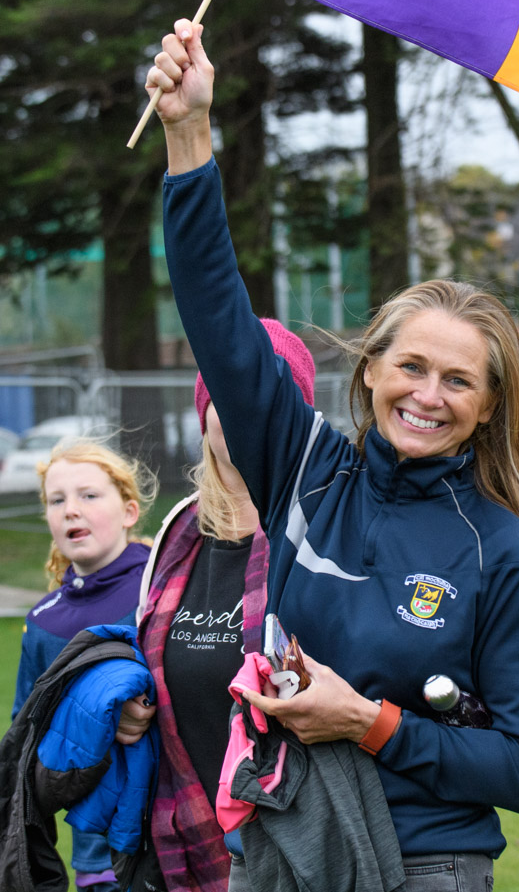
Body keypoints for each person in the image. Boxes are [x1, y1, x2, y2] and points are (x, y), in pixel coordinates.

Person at [147, 20, 519, 891]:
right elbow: (219, 318)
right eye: (410, 365)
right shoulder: (304, 467)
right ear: (369, 367)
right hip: (288, 845)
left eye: (458, 381)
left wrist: (368, 722)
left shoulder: (498, 548)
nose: (427, 394)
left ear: (487, 407)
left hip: (428, 865)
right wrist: (188, 133)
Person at [117, 322, 316, 892]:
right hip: (186, 837)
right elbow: (152, 661)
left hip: (291, 844)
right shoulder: (177, 532)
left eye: (268, 396)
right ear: (204, 412)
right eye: (228, 393)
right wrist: (133, 705)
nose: (246, 411)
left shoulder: (318, 530)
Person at [12, 438, 157, 892]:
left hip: (175, 836)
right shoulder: (42, 621)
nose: (70, 509)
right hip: (97, 862)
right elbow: (25, 738)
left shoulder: (162, 587)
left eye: (89, 495)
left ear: (129, 512)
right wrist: (86, 717)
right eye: (57, 500)